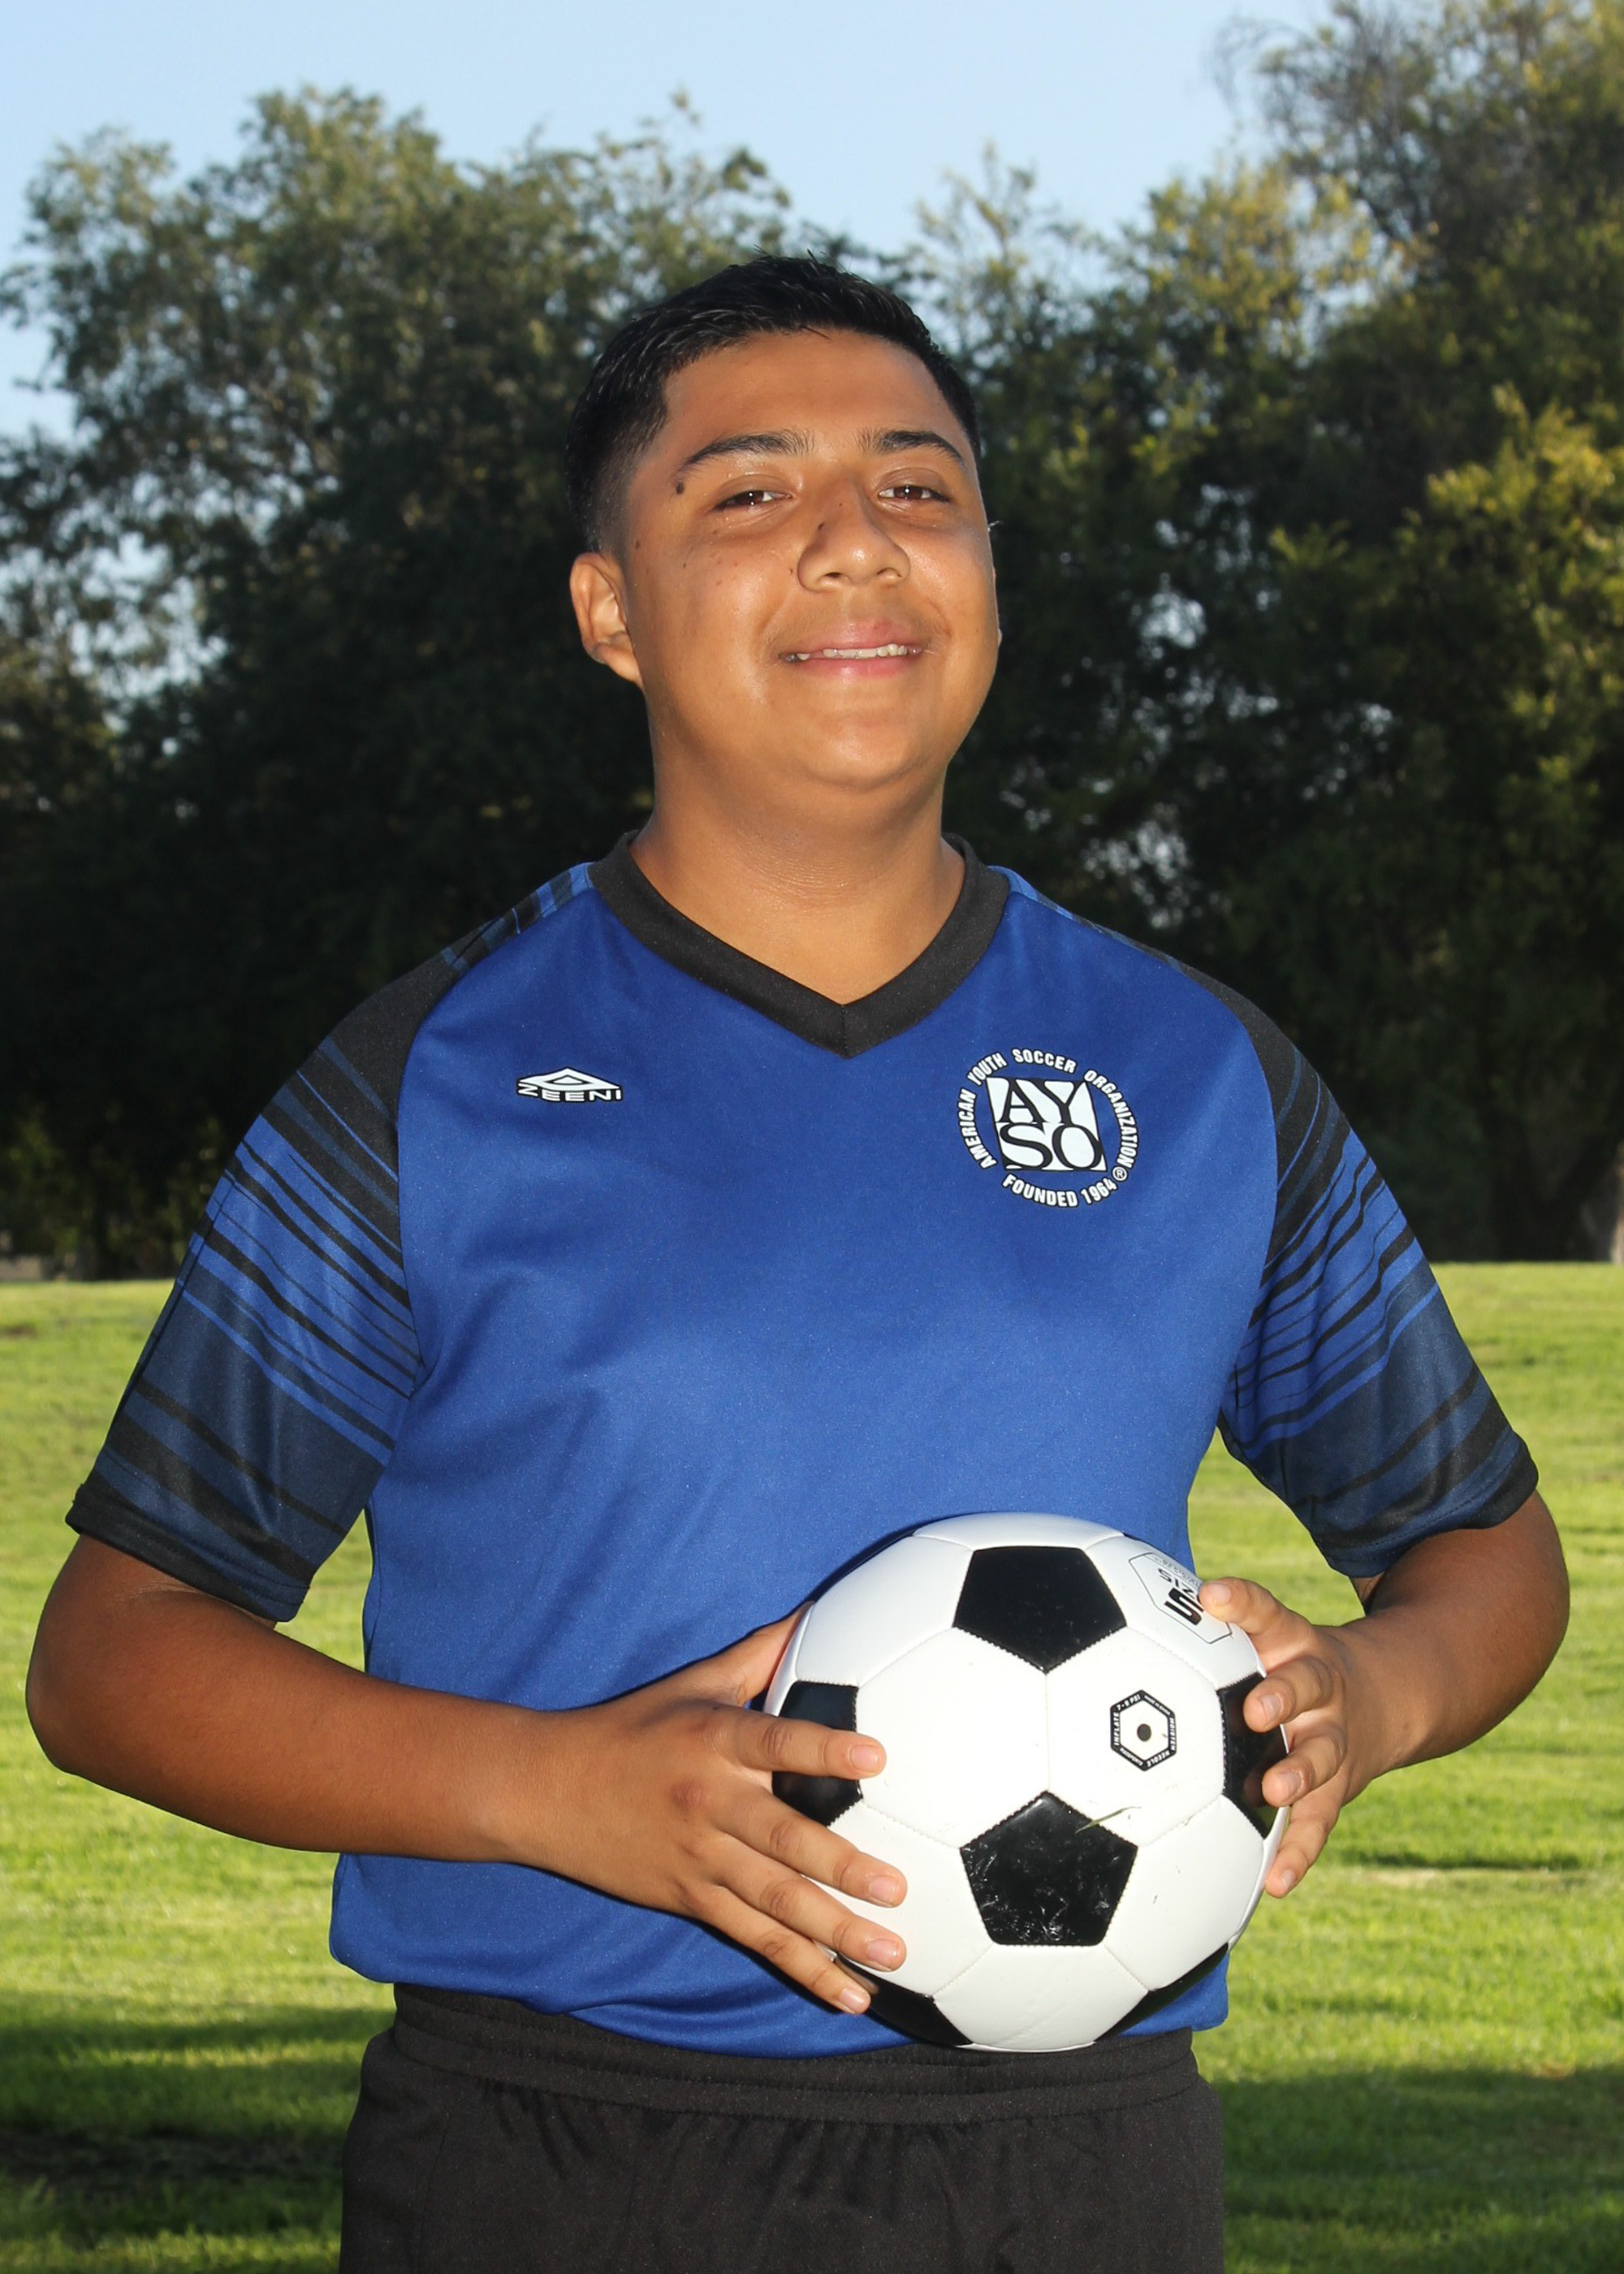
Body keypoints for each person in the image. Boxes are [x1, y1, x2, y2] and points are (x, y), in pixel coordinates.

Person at [27, 257, 1568, 2274]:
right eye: (749, 493)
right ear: (610, 612)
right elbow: (113, 1657)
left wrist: (1376, 1683)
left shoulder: (1194, 1073)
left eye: (919, 488)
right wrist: (556, 1788)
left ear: (990, 580)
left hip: (1087, 2163)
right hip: (559, 2156)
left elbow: (1487, 1555)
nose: (856, 539)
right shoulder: (433, 1083)